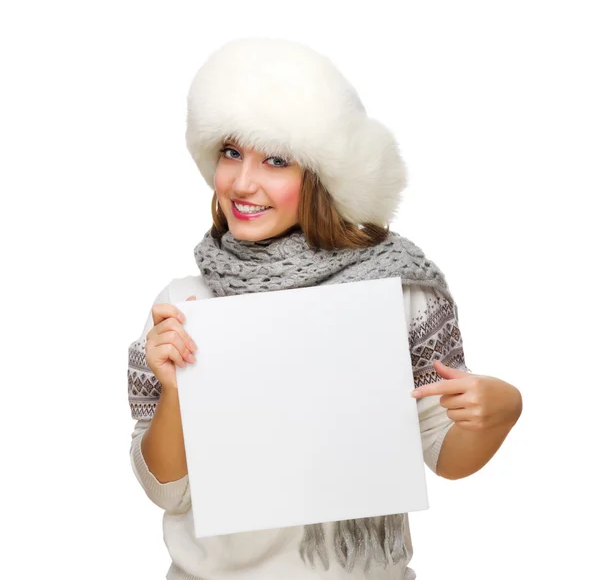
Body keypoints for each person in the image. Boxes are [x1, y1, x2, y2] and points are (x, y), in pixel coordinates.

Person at [127, 37, 523, 580]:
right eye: (230, 152)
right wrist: (175, 391)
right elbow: (167, 491)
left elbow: (445, 456)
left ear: (320, 175)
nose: (243, 182)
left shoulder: (394, 291)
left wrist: (501, 409)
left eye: (276, 160)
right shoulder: (183, 307)